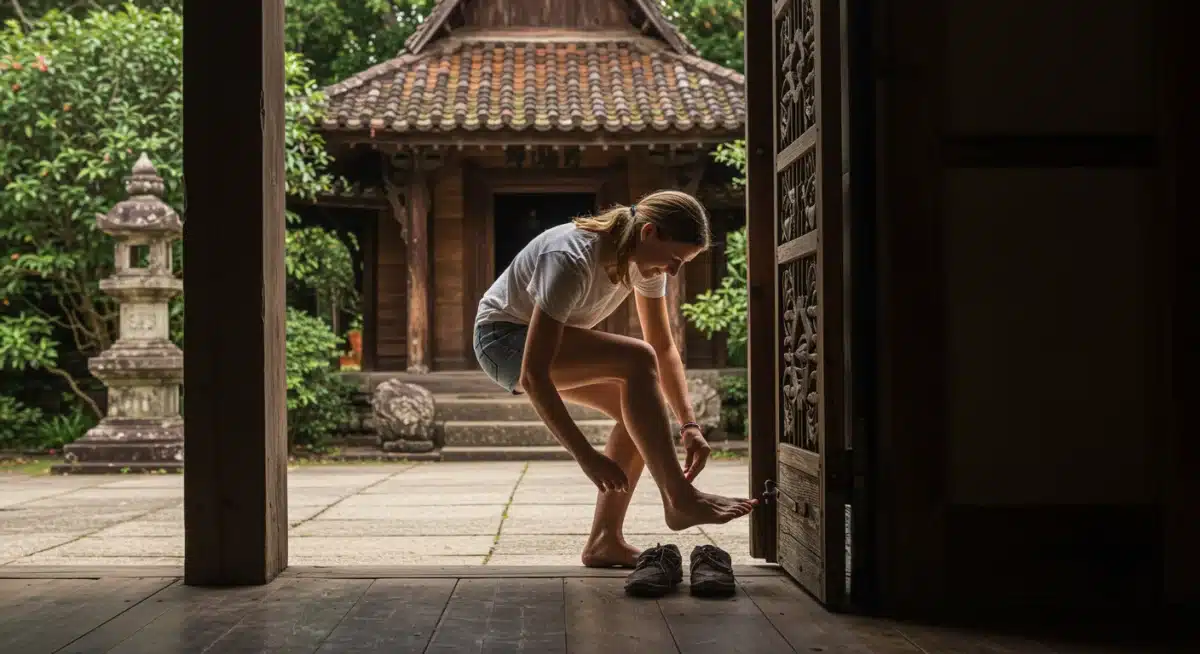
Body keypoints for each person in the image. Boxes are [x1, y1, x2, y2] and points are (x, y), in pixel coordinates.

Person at [473, 190, 758, 568]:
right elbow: (534, 374)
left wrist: (689, 424)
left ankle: (605, 540)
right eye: (674, 259)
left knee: (639, 414)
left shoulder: (643, 263)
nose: (674, 271)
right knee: (635, 358)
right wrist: (586, 456)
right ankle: (680, 498)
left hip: (539, 346)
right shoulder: (570, 258)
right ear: (649, 232)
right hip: (502, 340)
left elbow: (664, 346)